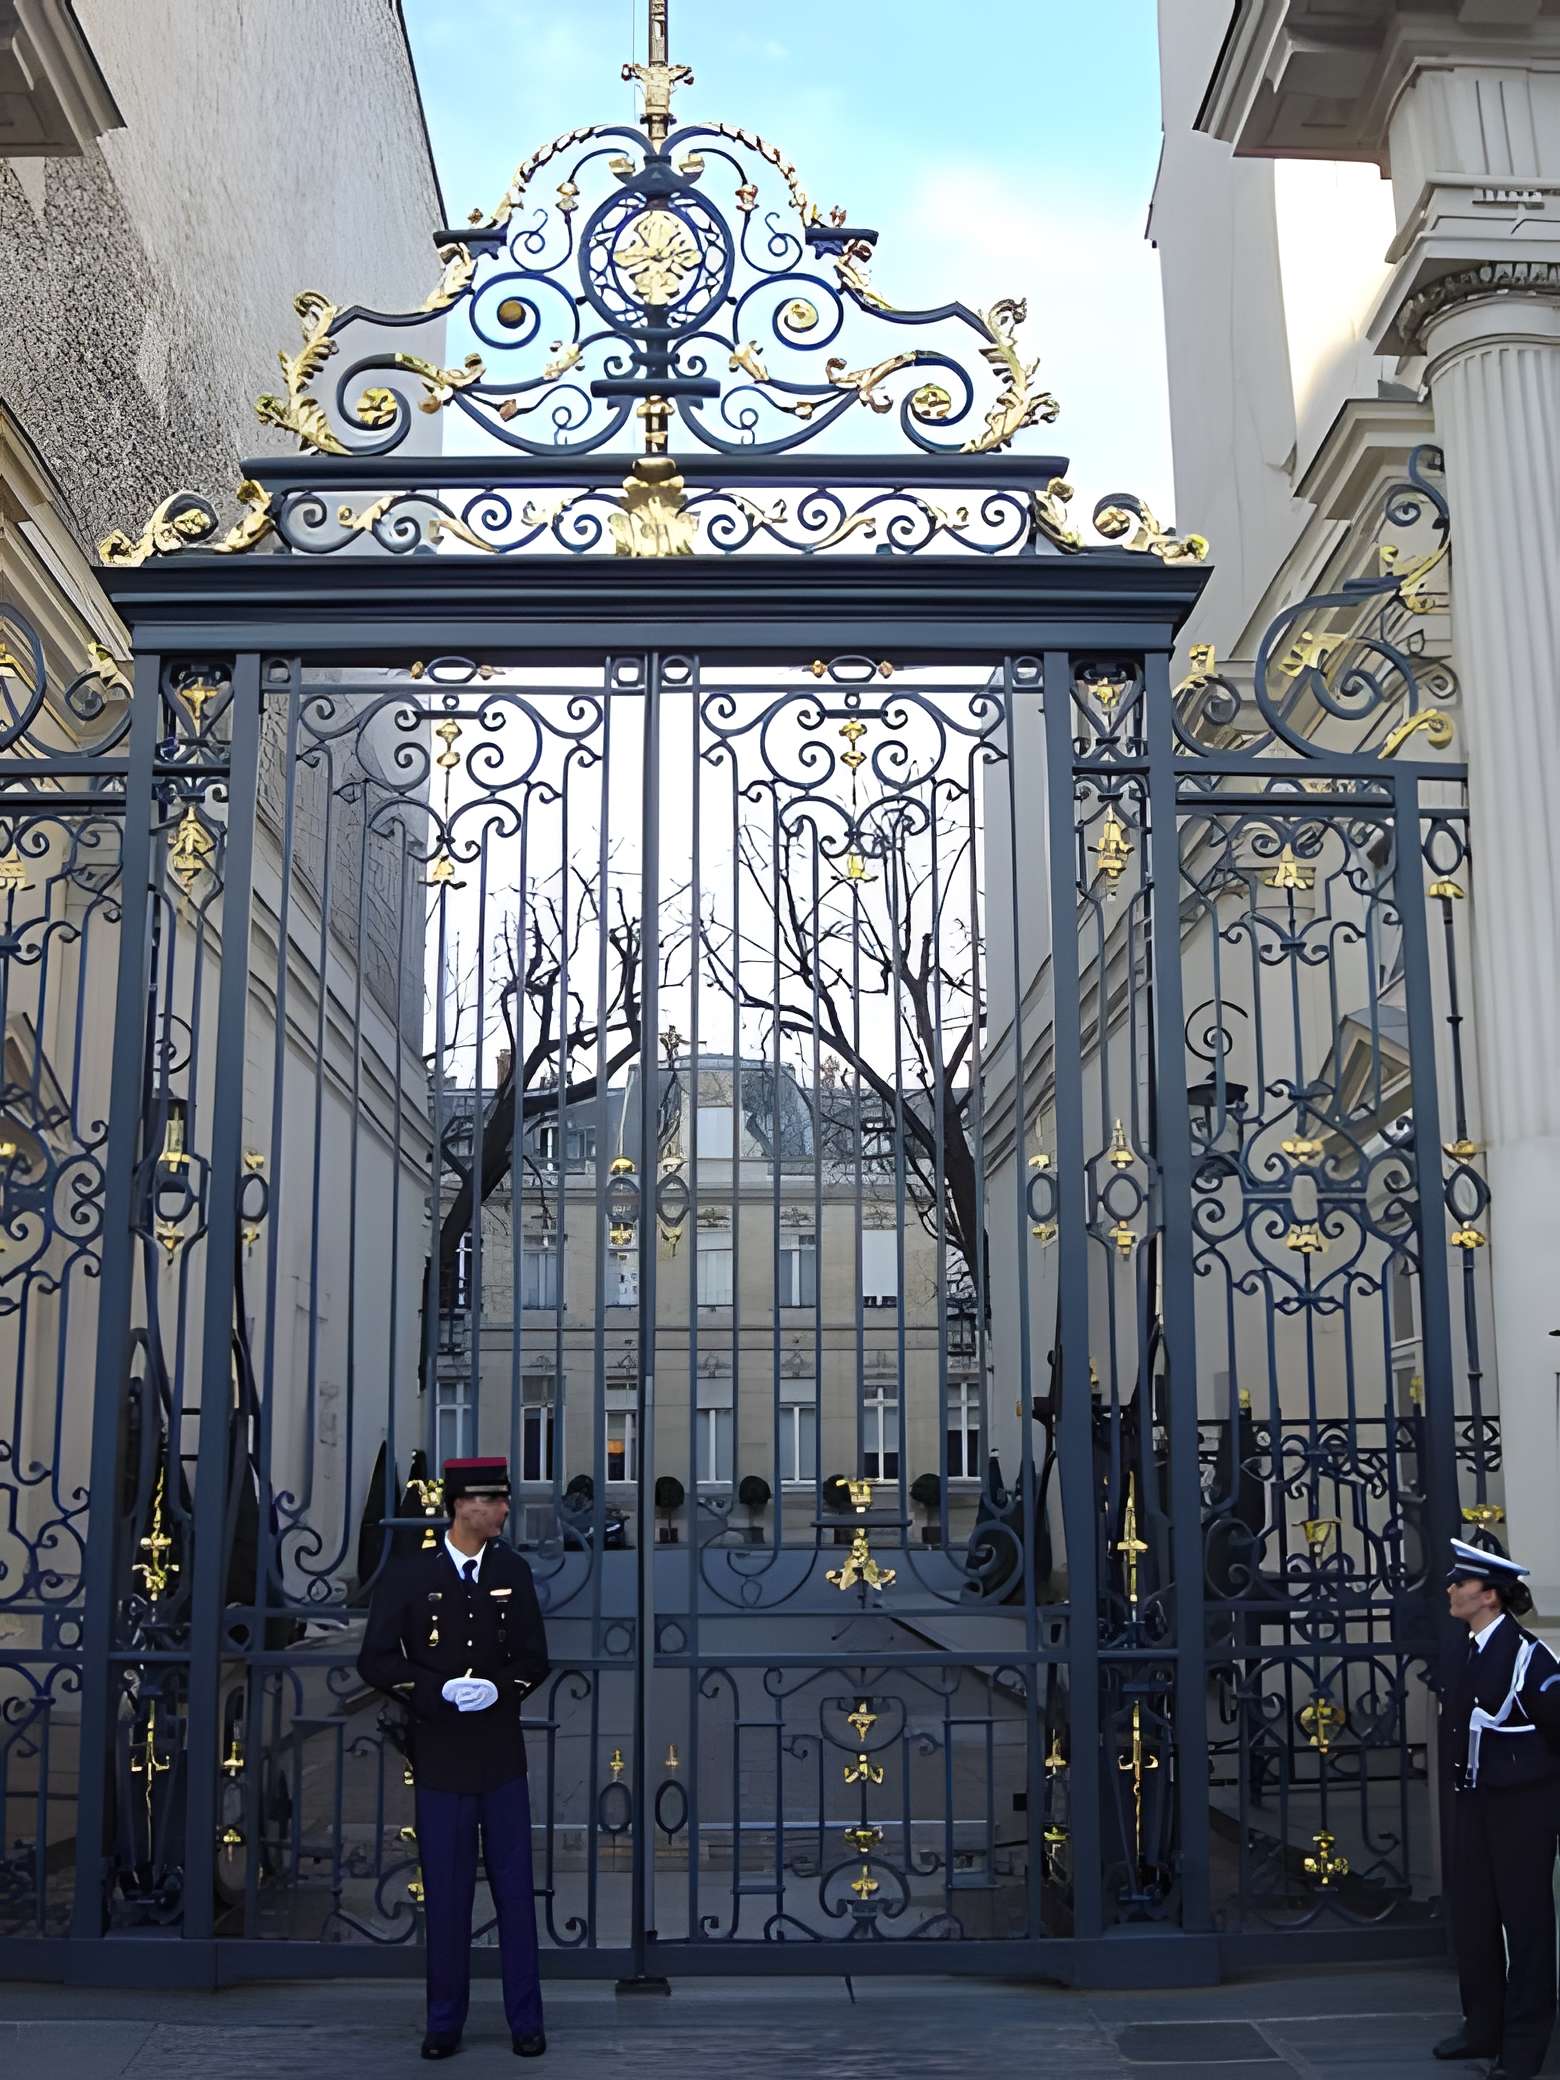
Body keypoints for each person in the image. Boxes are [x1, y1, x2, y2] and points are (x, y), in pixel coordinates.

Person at [359, 1456, 550, 2060]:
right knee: (445, 1892)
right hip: (440, 1755)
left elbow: (533, 1656)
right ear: (461, 1506)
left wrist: (503, 1688)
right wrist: (434, 1690)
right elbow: (378, 1659)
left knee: (515, 1892)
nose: (502, 1510)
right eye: (493, 1500)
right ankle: (444, 2020)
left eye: (502, 1500)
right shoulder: (412, 1574)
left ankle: (526, 2019)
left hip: (499, 1755)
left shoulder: (511, 1570)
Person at [1433, 1537, 1560, 2079]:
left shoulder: (1530, 1657)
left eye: (1461, 1582)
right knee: (1475, 1919)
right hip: (1476, 1802)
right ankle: (1482, 2026)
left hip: (1523, 1809)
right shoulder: (1468, 1646)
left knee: (1526, 1925)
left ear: (1489, 1595)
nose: (1451, 1589)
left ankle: (1525, 2047)